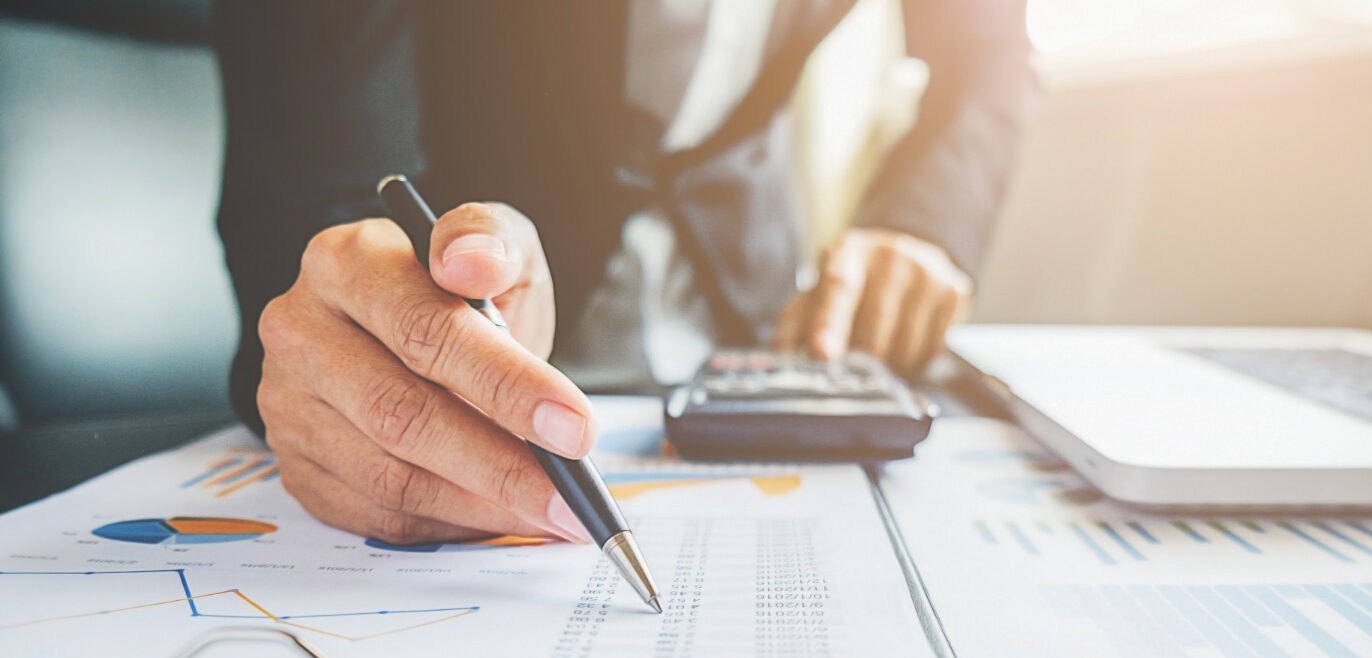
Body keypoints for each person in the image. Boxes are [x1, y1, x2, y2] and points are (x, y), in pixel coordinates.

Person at [212, 0, 1034, 545]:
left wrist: (925, 225)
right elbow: (311, 168)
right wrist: (349, 327)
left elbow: (987, 49)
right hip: (478, 324)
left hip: (756, 330)